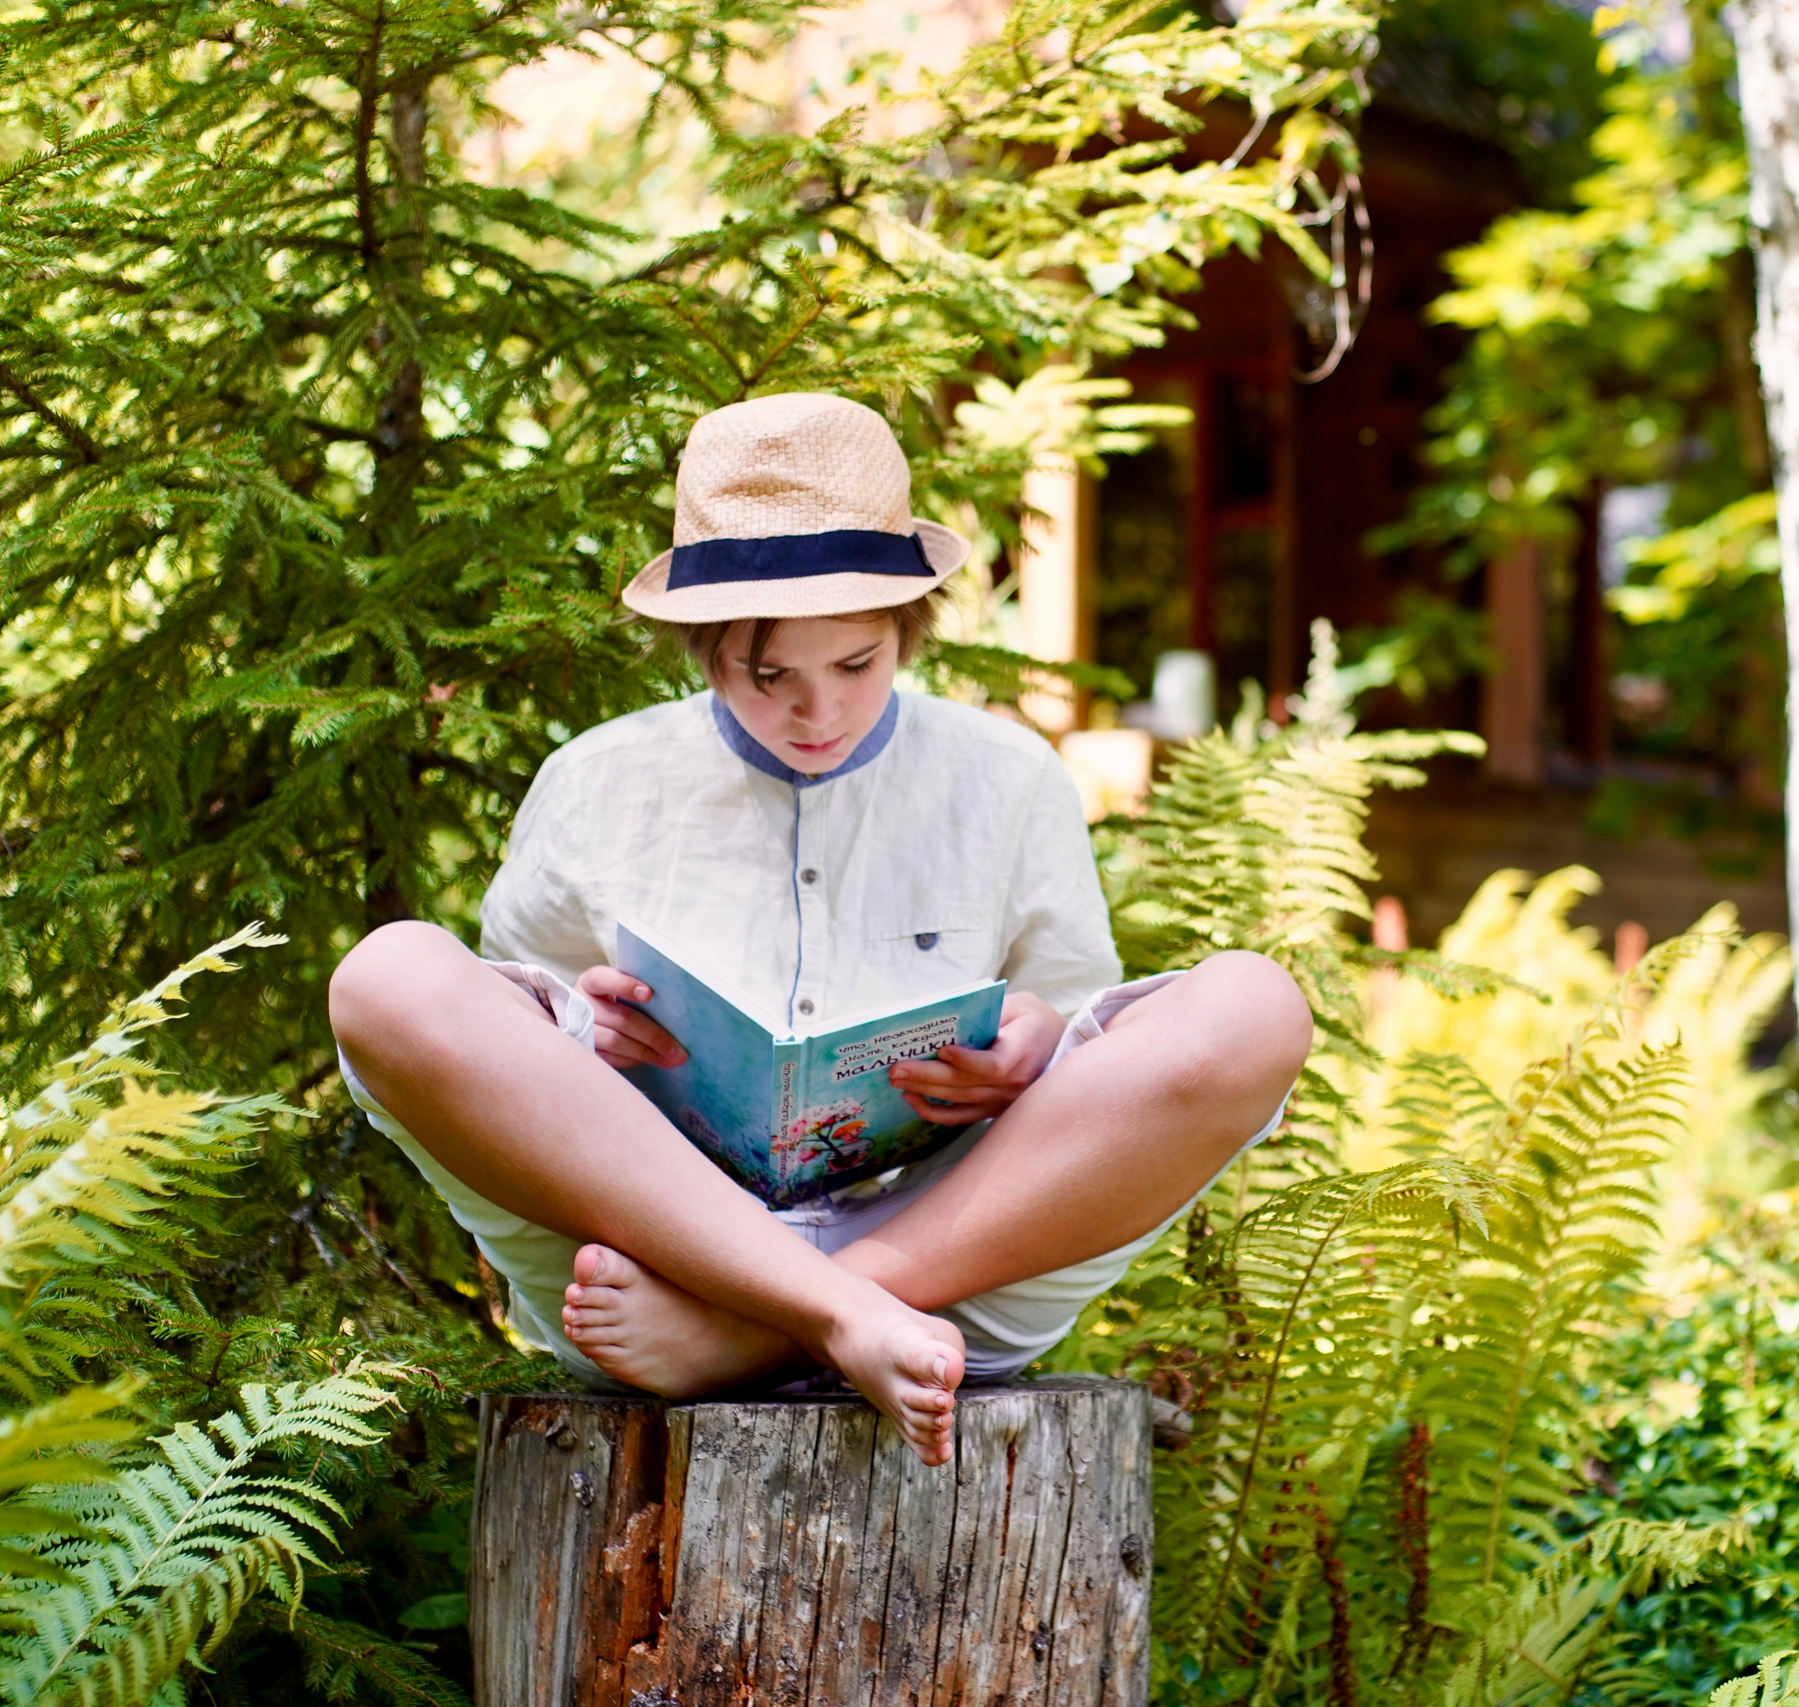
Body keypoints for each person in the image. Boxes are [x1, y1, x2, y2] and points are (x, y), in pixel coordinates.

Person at [326, 393, 1312, 1466]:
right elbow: (513, 1057)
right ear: (704, 651)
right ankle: (814, 1310)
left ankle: (783, 1322)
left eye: (855, 666)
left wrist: (1030, 1044)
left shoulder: (1006, 777)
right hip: (654, 1259)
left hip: (949, 1262)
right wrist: (578, 1023)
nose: (819, 713)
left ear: (906, 629)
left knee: (1256, 1008)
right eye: (769, 676)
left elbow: (1088, 1045)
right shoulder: (598, 781)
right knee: (389, 978)